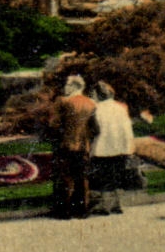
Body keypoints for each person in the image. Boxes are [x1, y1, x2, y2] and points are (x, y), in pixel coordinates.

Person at [49, 74, 96, 219]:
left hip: (66, 144)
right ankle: (82, 209)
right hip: (84, 145)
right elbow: (94, 127)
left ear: (74, 86)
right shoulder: (91, 103)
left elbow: (54, 124)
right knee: (82, 177)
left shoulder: (63, 101)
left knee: (65, 177)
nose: (65, 87)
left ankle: (64, 210)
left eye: (67, 84)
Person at [89, 81, 135, 215]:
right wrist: (129, 148)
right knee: (117, 176)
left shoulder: (96, 109)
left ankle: (105, 206)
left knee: (104, 178)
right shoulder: (120, 108)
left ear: (97, 95)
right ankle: (116, 204)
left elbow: (94, 130)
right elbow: (127, 129)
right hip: (119, 147)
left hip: (102, 147)